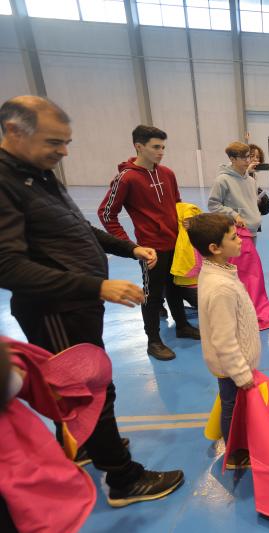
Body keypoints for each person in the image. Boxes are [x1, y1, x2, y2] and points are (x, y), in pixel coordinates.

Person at [0, 95, 184, 508]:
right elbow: (7, 266)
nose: (64, 152)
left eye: (66, 142)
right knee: (88, 388)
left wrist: (129, 249)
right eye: (54, 142)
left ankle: (84, 442)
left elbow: (80, 230)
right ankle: (123, 479)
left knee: (90, 384)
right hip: (55, 309)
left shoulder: (38, 175)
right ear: (14, 131)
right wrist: (96, 286)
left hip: (77, 305)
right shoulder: (5, 183)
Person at [98, 125, 200, 361]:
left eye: (163, 147)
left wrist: (185, 220)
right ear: (139, 146)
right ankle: (153, 340)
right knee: (152, 294)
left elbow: (177, 203)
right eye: (156, 147)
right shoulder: (126, 178)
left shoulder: (168, 173)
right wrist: (129, 246)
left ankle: (182, 326)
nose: (161, 152)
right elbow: (106, 213)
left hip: (176, 245)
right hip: (151, 250)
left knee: (176, 287)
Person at [187, 212, 258, 469]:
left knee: (232, 403)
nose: (240, 240)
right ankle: (235, 454)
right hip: (231, 367)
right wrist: (241, 373)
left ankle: (238, 444)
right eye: (233, 237)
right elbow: (224, 339)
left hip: (232, 364)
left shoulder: (219, 271)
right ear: (215, 248)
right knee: (232, 407)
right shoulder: (220, 288)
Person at [208, 141, 261, 240]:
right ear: (232, 159)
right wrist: (235, 215)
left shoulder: (251, 180)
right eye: (243, 158)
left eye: (248, 156)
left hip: (253, 231)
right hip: (236, 233)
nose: (247, 161)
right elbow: (213, 205)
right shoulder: (222, 180)